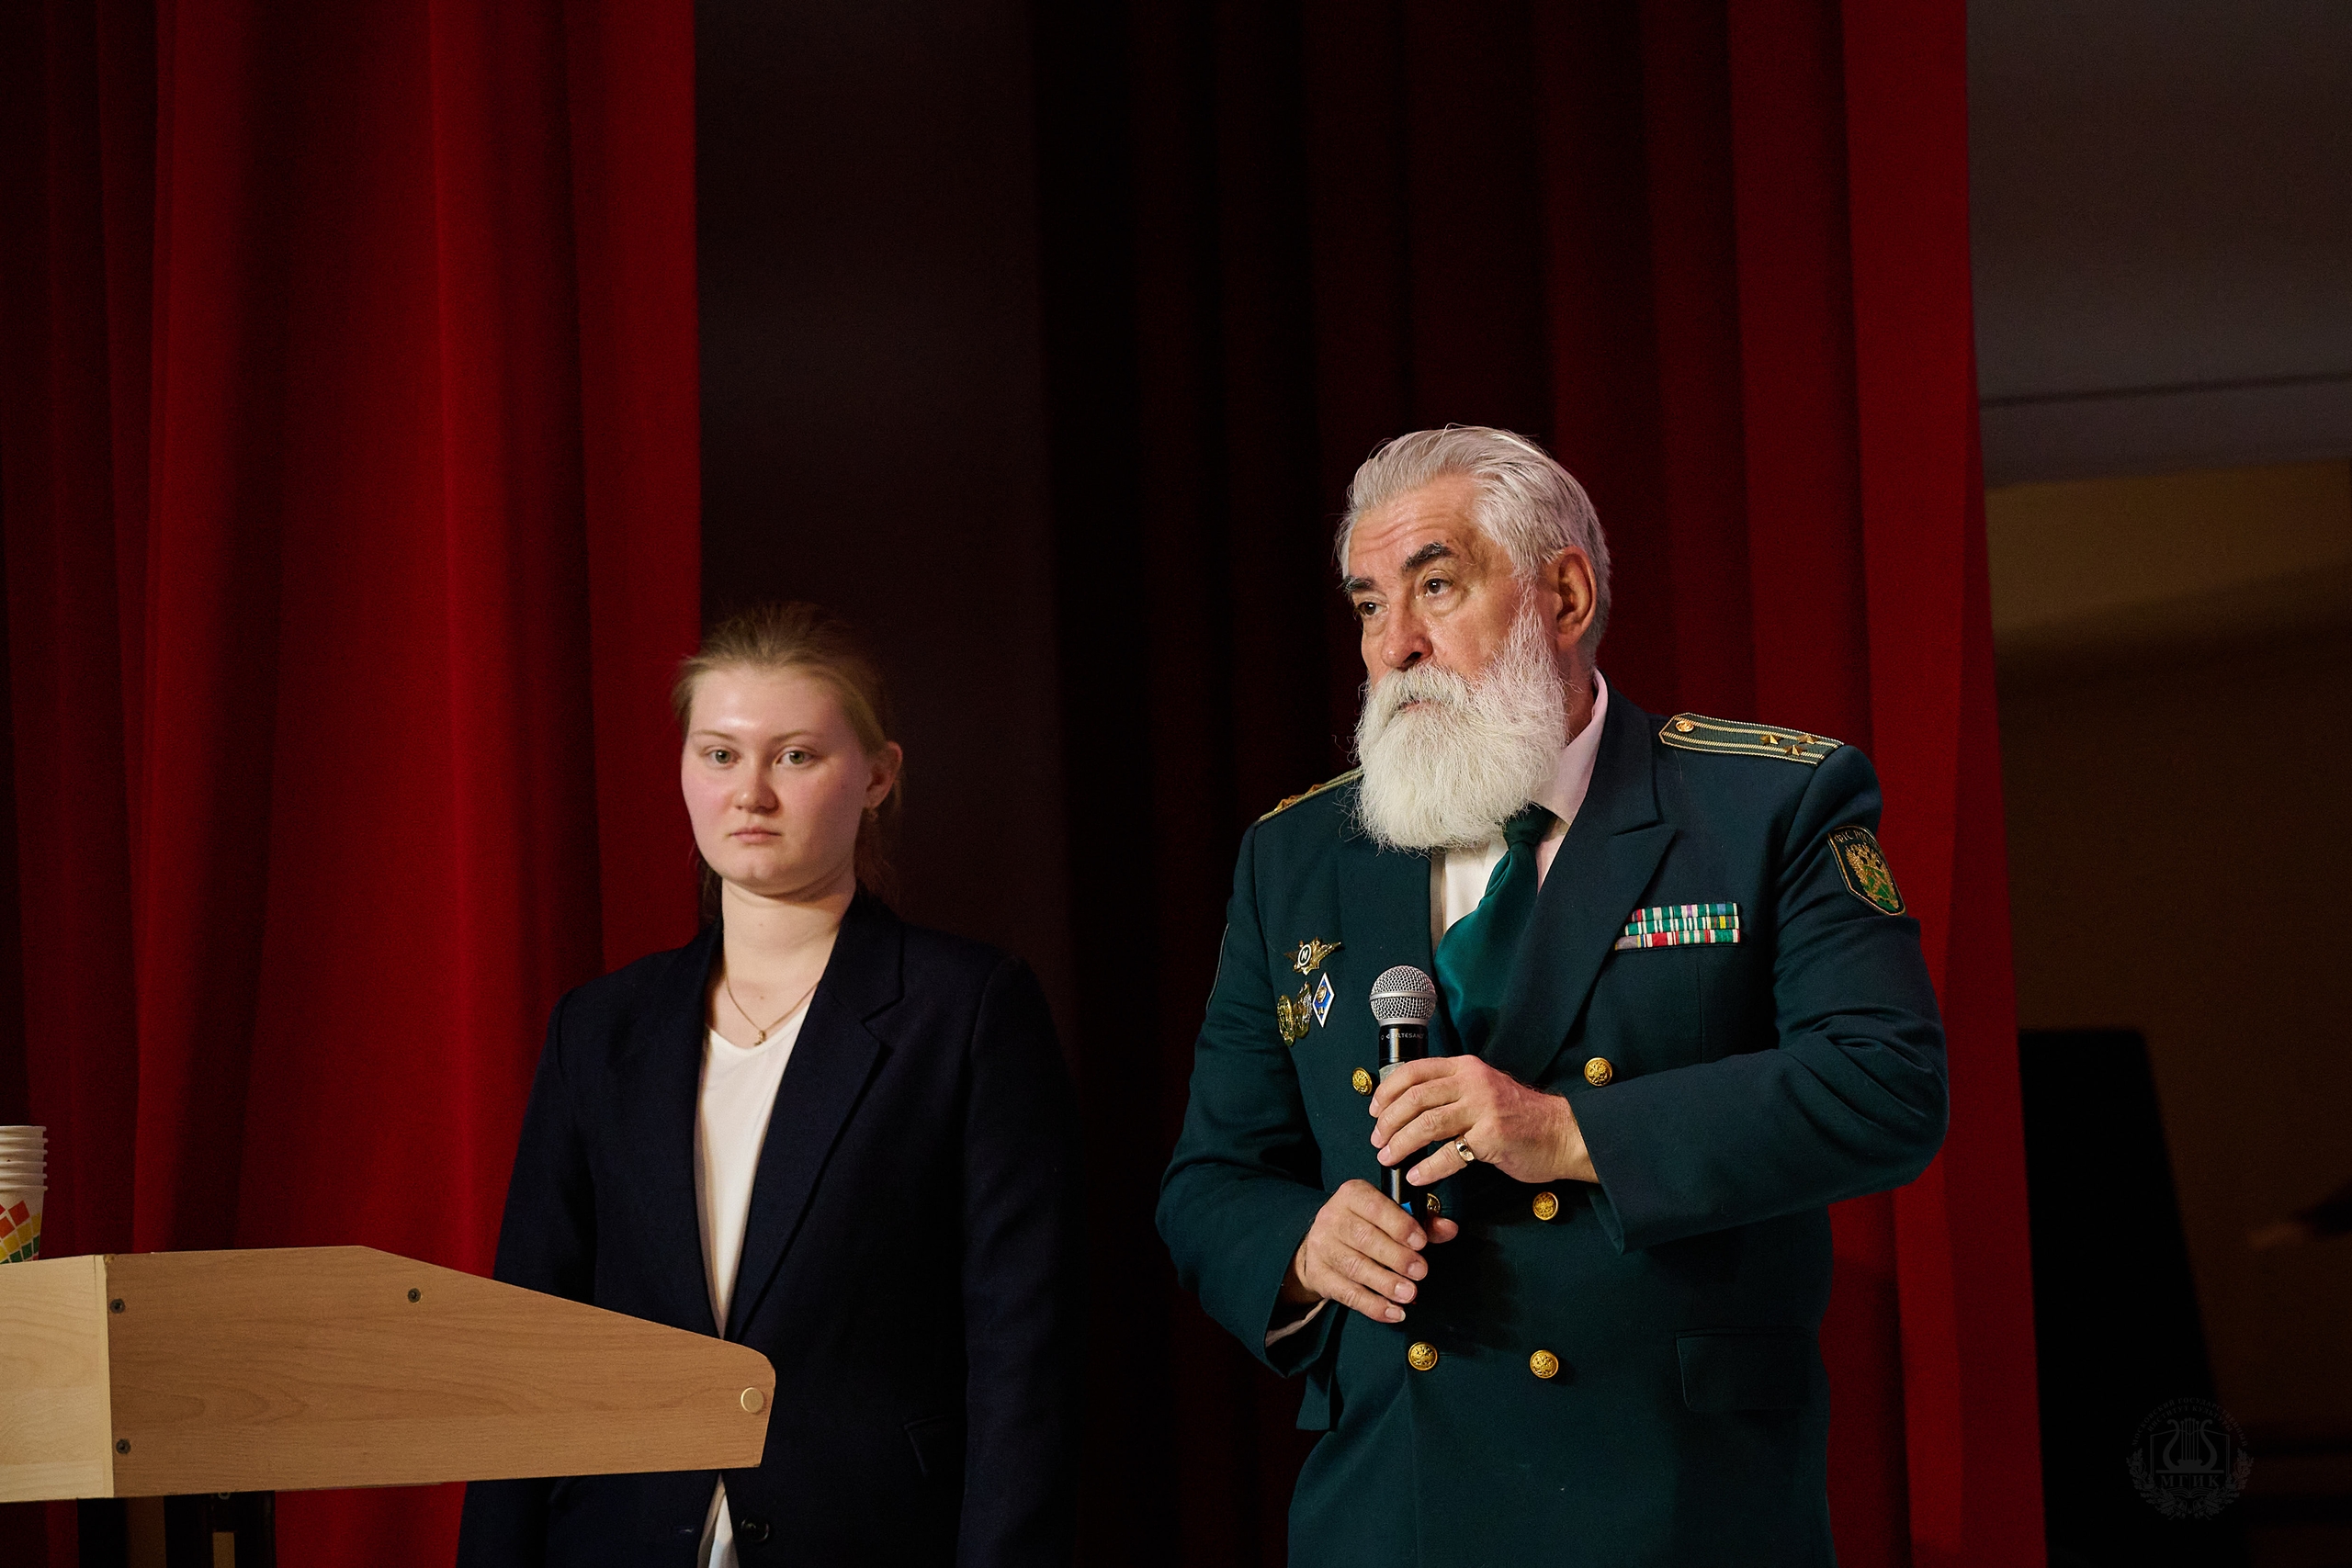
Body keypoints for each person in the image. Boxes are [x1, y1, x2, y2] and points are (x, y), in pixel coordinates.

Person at [1158, 427, 1949, 1565]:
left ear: (1564, 595)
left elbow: (1884, 1086)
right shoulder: (1295, 857)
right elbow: (1210, 1180)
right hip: (1396, 1508)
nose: (1394, 646)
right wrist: (1302, 1244)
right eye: (1369, 606)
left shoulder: (1762, 806)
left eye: (1435, 586)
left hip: (1676, 1501)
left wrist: (1568, 1131)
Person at [458, 604, 1081, 1568]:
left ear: (877, 776)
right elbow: (527, 1341)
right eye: (719, 754)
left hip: (873, 1540)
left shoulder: (966, 1009)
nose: (750, 792)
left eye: (795, 756)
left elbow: (1024, 1348)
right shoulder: (599, 1028)